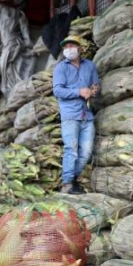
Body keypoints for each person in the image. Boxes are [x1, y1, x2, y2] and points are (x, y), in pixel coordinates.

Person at [52, 35, 99, 194]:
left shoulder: (89, 66)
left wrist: (94, 91)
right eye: (65, 47)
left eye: (71, 46)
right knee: (71, 149)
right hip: (70, 115)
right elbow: (57, 90)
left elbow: (95, 86)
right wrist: (79, 91)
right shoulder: (61, 68)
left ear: (79, 48)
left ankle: (72, 180)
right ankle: (67, 184)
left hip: (87, 115)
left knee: (85, 153)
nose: (68, 49)